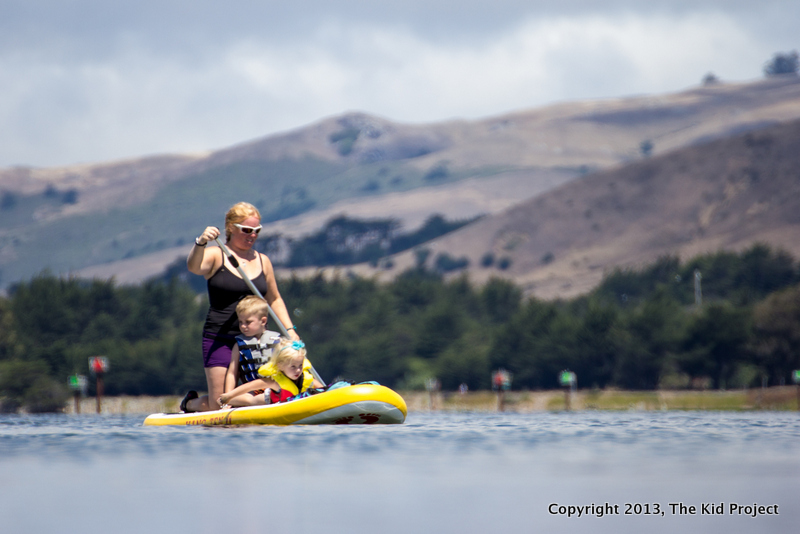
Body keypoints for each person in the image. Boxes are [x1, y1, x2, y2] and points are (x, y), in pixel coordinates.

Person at [180, 202, 299, 413]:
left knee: (261, 395)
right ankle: (190, 403)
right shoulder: (217, 255)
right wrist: (200, 243)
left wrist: (291, 332)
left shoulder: (263, 261)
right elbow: (194, 267)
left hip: (256, 340)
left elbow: (274, 299)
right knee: (220, 404)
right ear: (231, 228)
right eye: (246, 230)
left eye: (256, 231)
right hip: (220, 338)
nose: (252, 235)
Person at [219, 337, 324, 407]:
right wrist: (229, 396)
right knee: (251, 400)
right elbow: (250, 386)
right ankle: (223, 400)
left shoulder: (305, 378)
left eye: (300, 365)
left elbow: (322, 389)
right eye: (293, 367)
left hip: (289, 402)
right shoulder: (274, 381)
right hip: (266, 401)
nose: (298, 370)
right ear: (280, 366)